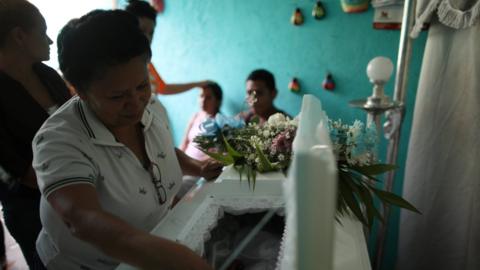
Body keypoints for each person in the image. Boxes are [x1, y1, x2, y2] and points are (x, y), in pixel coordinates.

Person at [32, 10, 213, 270]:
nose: (135, 103)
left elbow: (159, 152)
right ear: (80, 91)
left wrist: (199, 168)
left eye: (142, 86)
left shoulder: (144, 111)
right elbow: (83, 219)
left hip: (151, 249)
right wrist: (185, 262)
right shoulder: (59, 141)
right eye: (117, 97)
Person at [0, 0, 72, 268]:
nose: (51, 40)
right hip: (31, 210)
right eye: (42, 32)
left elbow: (79, 126)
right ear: (19, 36)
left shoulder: (48, 75)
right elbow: (18, 170)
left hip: (76, 192)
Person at [125, 0, 209, 95]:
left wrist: (198, 84)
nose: (148, 38)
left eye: (151, 33)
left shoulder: (146, 64)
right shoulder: (119, 65)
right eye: (142, 31)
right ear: (127, 29)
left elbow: (163, 88)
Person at [180, 82, 223, 161]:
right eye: (201, 96)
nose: (203, 100)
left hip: (202, 168)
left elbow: (219, 155)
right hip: (185, 164)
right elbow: (184, 143)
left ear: (217, 101)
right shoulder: (195, 116)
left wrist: (195, 166)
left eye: (208, 97)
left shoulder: (220, 123)